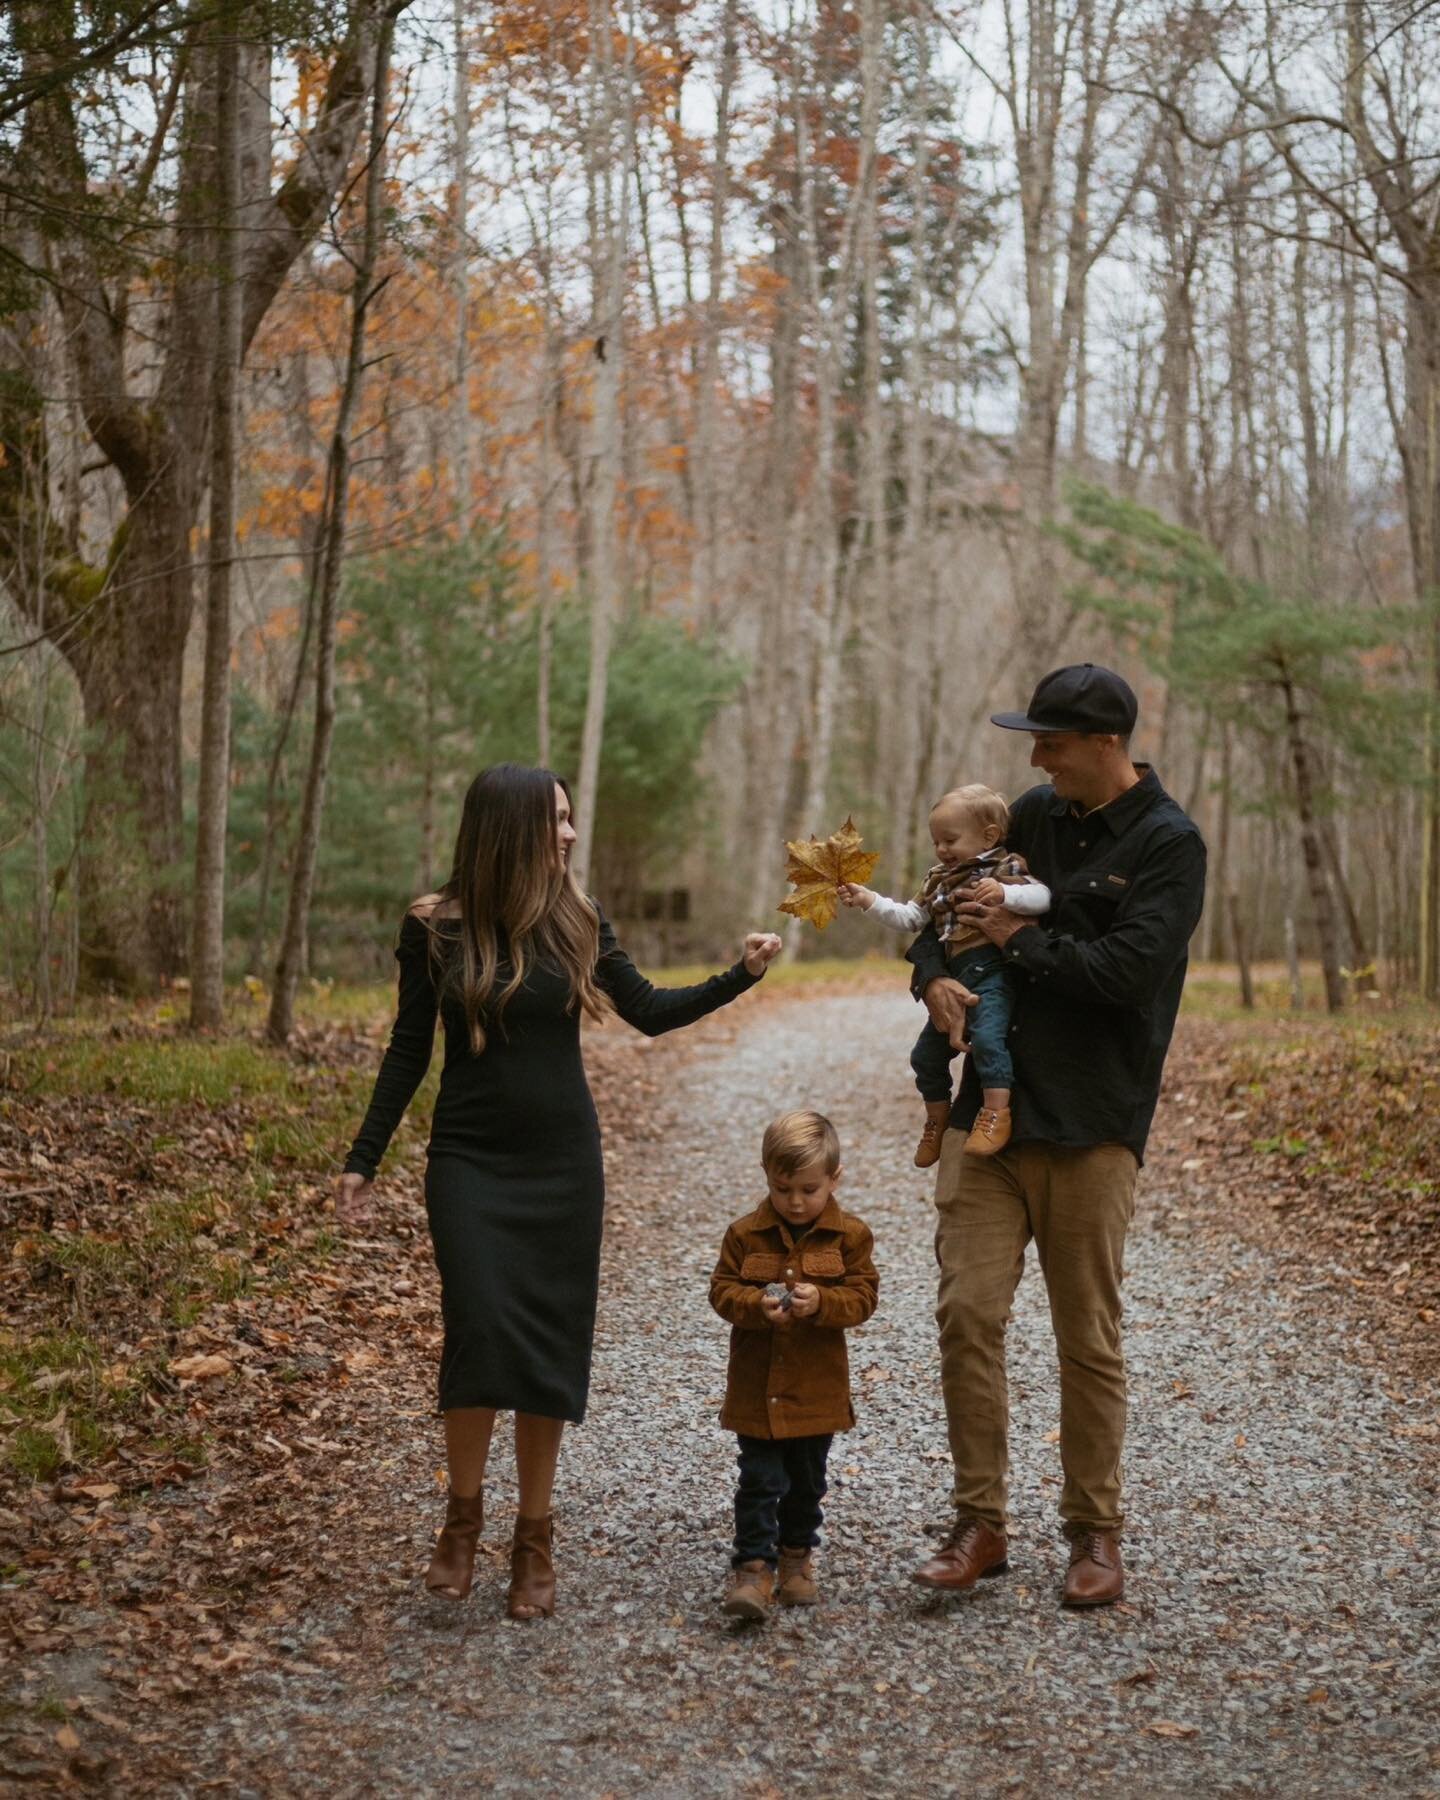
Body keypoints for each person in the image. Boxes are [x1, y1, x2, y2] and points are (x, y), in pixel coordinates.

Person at [337, 763, 781, 1619]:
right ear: (508, 829)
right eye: (558, 821)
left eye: (571, 819)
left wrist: (740, 975)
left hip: (562, 1165)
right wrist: (364, 1156)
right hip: (467, 1160)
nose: (571, 835)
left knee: (545, 1345)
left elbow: (648, 1010)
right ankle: (461, 1525)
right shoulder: (432, 927)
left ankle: (533, 1537)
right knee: (478, 1331)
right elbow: (406, 1050)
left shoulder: (577, 920)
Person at [908, 665, 1205, 1608]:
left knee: (1087, 1336)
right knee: (966, 1317)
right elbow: (949, 908)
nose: (1035, 756)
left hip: (1093, 1124)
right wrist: (933, 981)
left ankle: (1094, 1533)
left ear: (1106, 743)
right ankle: (980, 1522)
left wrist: (1016, 945)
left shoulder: (1169, 843)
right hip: (987, 1121)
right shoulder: (1028, 815)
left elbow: (1126, 972)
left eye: (1052, 740)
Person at [708, 1110, 879, 1620]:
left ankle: (797, 1557)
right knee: (759, 1480)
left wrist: (823, 1303)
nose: (797, 1202)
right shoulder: (744, 1235)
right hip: (757, 1391)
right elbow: (721, 1290)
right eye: (784, 1189)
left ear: (834, 1178)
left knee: (807, 1480)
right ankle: (753, 1567)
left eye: (809, 1189)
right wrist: (754, 1305)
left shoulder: (849, 1236)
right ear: (766, 1174)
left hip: (815, 1393)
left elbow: (864, 1296)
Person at [837, 783, 1050, 1168]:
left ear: (988, 836)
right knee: (924, 1056)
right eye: (936, 842)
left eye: (950, 840)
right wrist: (870, 900)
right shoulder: (938, 878)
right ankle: (937, 1116)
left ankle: (995, 1113)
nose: (941, 850)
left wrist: (1005, 895)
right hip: (955, 975)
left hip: (994, 974)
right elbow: (912, 918)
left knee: (988, 1039)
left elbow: (1043, 898)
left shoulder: (1005, 867)